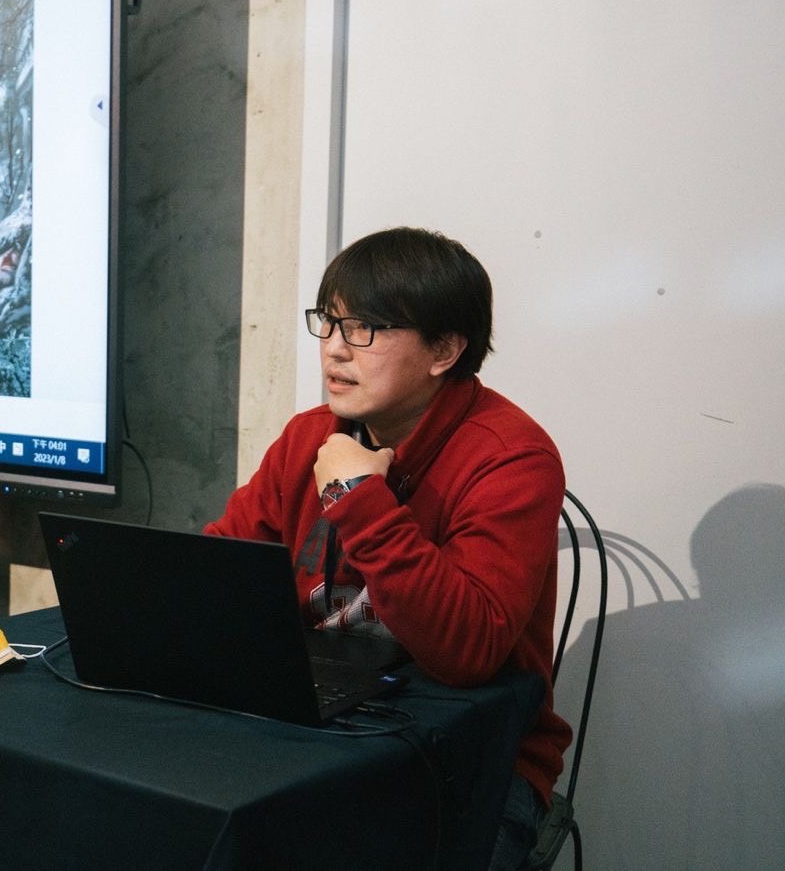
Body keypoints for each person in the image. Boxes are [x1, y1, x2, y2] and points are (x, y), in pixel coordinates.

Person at [204, 226, 570, 870]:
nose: (334, 349)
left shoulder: (512, 458)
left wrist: (357, 497)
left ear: (444, 349)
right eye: (328, 322)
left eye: (364, 329)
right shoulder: (309, 437)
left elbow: (467, 651)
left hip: (471, 757)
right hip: (320, 723)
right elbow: (221, 570)